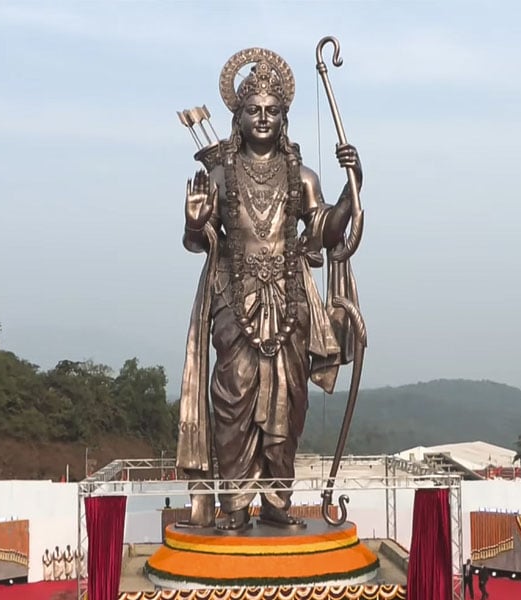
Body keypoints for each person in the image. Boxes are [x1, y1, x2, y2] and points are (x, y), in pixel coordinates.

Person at [177, 47, 362, 531]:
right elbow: (197, 241)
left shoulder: (303, 177)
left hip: (290, 300)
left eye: (272, 111)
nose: (263, 118)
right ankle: (235, 506)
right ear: (238, 117)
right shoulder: (220, 175)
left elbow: (326, 232)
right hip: (232, 300)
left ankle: (278, 501)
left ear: (284, 118)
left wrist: (352, 189)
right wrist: (195, 223)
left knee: (289, 403)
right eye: (254, 110)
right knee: (233, 400)